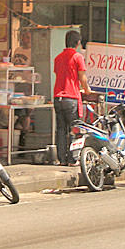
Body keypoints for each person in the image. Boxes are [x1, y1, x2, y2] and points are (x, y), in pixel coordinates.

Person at [53, 30, 91, 166]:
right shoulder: (78, 57)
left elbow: (60, 75)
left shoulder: (58, 58)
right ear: (78, 43)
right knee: (74, 129)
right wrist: (87, 90)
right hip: (71, 97)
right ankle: (73, 159)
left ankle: (62, 159)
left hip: (58, 97)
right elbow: (82, 77)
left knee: (61, 130)